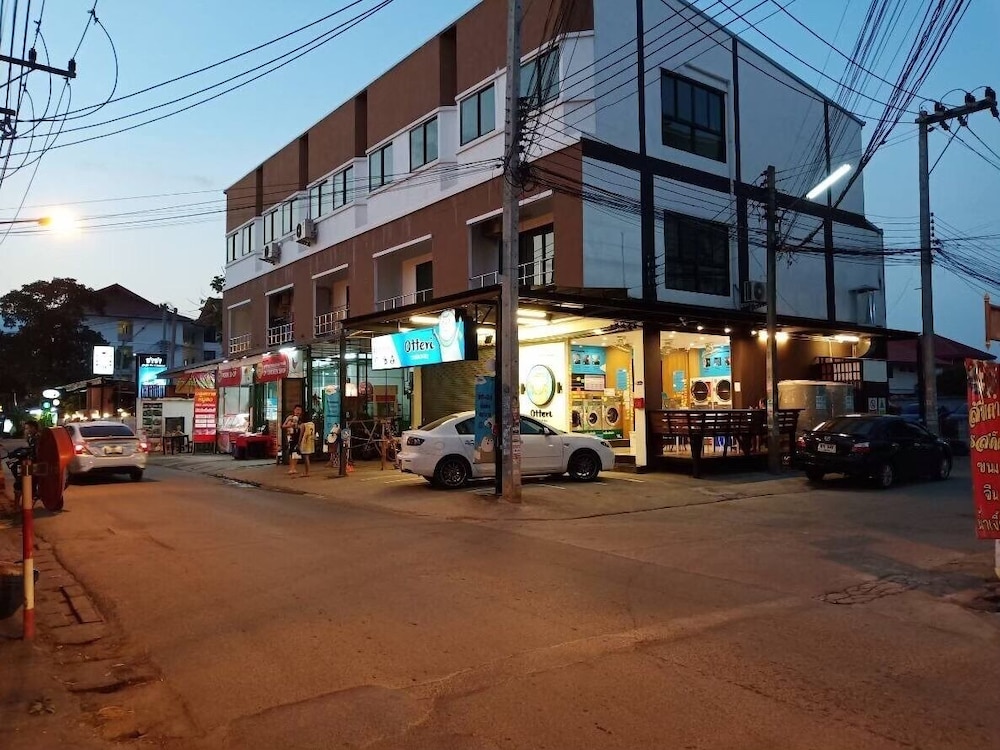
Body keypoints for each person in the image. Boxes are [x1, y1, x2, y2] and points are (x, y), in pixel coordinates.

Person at [282, 404, 303, 474]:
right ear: (294, 410)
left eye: (299, 410)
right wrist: (289, 425)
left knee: (296, 451)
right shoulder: (290, 417)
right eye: (297, 410)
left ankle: (294, 468)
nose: (298, 411)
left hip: (298, 435)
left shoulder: (301, 419)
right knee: (291, 451)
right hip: (291, 436)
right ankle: (291, 468)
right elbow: (283, 426)